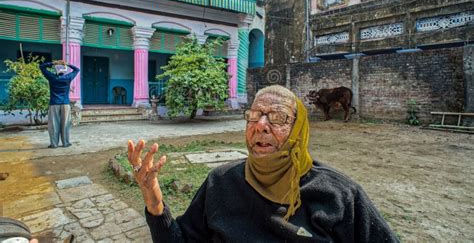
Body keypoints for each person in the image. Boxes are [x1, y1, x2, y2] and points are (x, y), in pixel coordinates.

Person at [128, 85, 398, 242]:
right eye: (254, 115)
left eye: (277, 118)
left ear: (297, 130)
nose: (260, 126)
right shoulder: (221, 183)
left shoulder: (339, 196)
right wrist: (155, 205)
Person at [39, 60, 80, 148]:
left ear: (56, 70)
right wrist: (67, 64)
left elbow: (41, 66)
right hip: (65, 104)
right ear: (64, 70)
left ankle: (54, 144)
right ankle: (65, 143)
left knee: (53, 124)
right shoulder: (68, 77)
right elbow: (77, 70)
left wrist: (53, 63)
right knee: (65, 124)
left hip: (54, 103)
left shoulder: (52, 77)